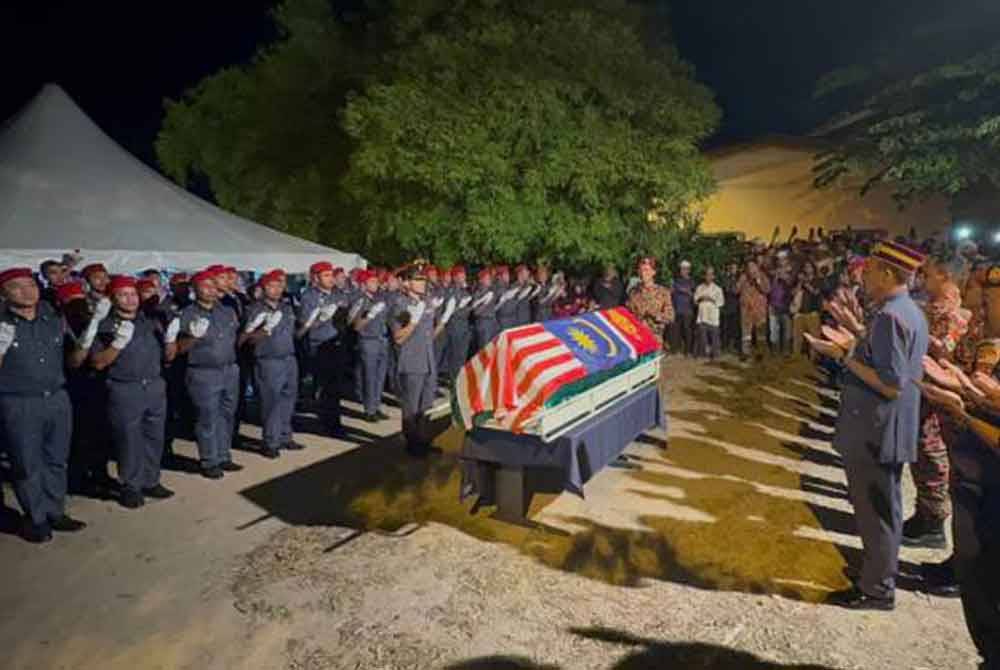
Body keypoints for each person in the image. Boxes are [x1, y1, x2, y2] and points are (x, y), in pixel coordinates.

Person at [818, 241, 929, 610]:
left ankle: (878, 589)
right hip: (883, 428)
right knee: (882, 509)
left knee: (876, 513)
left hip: (876, 429)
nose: (864, 276)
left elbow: (891, 384)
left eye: (870, 270)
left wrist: (845, 354)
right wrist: (857, 340)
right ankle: (875, 573)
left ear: (887, 273)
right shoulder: (905, 311)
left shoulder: (892, 317)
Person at [0, 267, 89, 542]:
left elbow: (73, 360)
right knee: (26, 462)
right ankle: (36, 517)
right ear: (4, 294)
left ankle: (55, 511)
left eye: (30, 285)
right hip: (19, 401)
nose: (27, 292)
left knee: (56, 459)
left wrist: (87, 340)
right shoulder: (2, 325)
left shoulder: (53, 318)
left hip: (57, 399)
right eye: (17, 287)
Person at [89, 275, 177, 508]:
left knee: (154, 437)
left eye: (133, 294)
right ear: (112, 299)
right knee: (128, 439)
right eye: (123, 295)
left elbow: (168, 357)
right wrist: (117, 344)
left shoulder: (150, 322)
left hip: (154, 386)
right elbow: (98, 362)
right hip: (125, 388)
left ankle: (151, 480)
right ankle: (131, 485)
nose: (130, 299)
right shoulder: (104, 326)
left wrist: (171, 340)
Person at [176, 269, 243, 479]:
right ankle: (209, 460)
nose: (210, 290)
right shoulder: (187, 314)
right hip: (203, 372)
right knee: (207, 417)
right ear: (195, 290)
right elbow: (179, 349)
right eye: (205, 286)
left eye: (213, 286)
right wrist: (193, 337)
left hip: (229, 369)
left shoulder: (227, 311)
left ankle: (223, 455)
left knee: (227, 414)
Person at [241, 270, 299, 459]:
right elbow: (248, 339)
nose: (276, 290)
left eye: (279, 286)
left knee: (288, 399)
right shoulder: (255, 309)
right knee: (270, 402)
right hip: (268, 360)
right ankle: (270, 441)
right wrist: (264, 329)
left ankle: (285, 435)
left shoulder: (286, 308)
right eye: (271, 286)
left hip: (288, 358)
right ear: (263, 288)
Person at [390, 264, 442, 457]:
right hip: (411, 361)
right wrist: (413, 321)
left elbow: (431, 330)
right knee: (411, 406)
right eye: (418, 279)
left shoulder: (426, 301)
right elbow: (398, 337)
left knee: (426, 405)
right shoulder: (400, 305)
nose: (423, 282)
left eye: (423, 279)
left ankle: (423, 440)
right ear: (406, 283)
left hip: (428, 359)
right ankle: (412, 444)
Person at [297, 262, 349, 439]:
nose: (330, 278)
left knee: (336, 386)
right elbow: (305, 325)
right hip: (321, 345)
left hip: (338, 343)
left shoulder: (338, 294)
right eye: (325, 275)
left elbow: (346, 318)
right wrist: (322, 318)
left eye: (331, 275)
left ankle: (334, 420)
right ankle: (329, 424)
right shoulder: (309, 296)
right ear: (315, 278)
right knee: (326, 387)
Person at [626, 257, 673, 435]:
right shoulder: (633, 292)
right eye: (641, 270)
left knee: (654, 379)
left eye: (646, 270)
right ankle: (638, 418)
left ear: (653, 272)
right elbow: (627, 314)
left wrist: (656, 315)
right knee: (638, 379)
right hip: (637, 341)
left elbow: (670, 316)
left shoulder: (663, 292)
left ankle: (656, 418)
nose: (643, 273)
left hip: (654, 340)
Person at [349, 270, 390, 423]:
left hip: (382, 339)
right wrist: (370, 314)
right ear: (364, 284)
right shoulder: (360, 300)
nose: (376, 284)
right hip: (368, 341)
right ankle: (369, 410)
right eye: (372, 282)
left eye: (376, 281)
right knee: (370, 377)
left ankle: (376, 406)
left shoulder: (379, 298)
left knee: (380, 377)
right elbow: (355, 325)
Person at [735, 260, 771, 360]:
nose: (751, 269)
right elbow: (736, 290)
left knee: (760, 333)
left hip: (759, 310)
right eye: (749, 267)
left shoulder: (763, 276)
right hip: (746, 310)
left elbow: (767, 290)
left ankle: (761, 353)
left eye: (753, 267)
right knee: (746, 334)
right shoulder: (743, 277)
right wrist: (740, 281)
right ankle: (745, 353)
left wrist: (758, 281)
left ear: (757, 267)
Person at [444, 266, 474, 381]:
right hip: (455, 325)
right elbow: (449, 312)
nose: (464, 277)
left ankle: (460, 378)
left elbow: (470, 306)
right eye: (461, 275)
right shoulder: (451, 291)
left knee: (462, 354)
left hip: (464, 324)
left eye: (464, 275)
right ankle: (454, 379)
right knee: (455, 355)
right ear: (455, 277)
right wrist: (461, 307)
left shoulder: (465, 290)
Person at [790, 262, 822, 356]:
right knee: (797, 338)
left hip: (812, 313)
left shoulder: (817, 280)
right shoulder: (798, 281)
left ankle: (814, 358)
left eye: (809, 267)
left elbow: (815, 293)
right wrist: (800, 283)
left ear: (813, 268)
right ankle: (796, 357)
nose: (807, 269)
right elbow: (793, 293)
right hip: (799, 314)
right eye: (805, 267)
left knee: (814, 338)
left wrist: (806, 283)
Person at [694, 267, 724, 360]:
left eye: (710, 275)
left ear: (713, 276)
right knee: (702, 336)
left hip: (713, 316)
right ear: (704, 276)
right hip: (702, 316)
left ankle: (715, 354)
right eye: (707, 274)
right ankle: (703, 354)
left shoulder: (717, 289)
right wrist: (701, 298)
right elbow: (695, 300)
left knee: (715, 337)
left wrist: (711, 299)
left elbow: (721, 302)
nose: (708, 277)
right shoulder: (699, 287)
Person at [768, 265, 794, 354]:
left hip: (785, 309)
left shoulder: (787, 283)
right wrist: (776, 277)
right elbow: (770, 291)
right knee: (774, 332)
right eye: (779, 272)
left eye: (782, 272)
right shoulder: (773, 281)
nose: (781, 274)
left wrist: (785, 279)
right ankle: (775, 350)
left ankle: (786, 350)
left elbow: (791, 292)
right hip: (774, 308)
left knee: (786, 331)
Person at [471, 267, 499, 351]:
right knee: (484, 349)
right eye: (487, 279)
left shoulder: (491, 290)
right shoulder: (478, 293)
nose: (489, 280)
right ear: (481, 280)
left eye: (489, 278)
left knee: (493, 348)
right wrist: (485, 302)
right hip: (483, 323)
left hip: (493, 321)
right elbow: (476, 312)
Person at [671, 260, 696, 356]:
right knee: (676, 330)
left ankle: (688, 350)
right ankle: (675, 350)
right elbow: (672, 292)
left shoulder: (691, 282)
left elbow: (694, 295)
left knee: (687, 330)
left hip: (687, 310)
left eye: (685, 269)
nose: (683, 271)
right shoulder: (676, 281)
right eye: (682, 269)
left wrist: (685, 291)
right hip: (676, 309)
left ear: (688, 270)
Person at [494, 265, 519, 332]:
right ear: (499, 277)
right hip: (504, 319)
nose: (508, 277)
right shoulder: (497, 288)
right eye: (505, 274)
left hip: (512, 317)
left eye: (508, 274)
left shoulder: (508, 286)